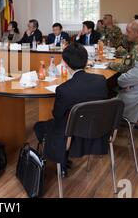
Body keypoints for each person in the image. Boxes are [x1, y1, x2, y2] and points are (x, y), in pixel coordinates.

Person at [34, 43, 109, 177]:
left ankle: (61, 162)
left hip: (71, 136)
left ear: (64, 63)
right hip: (97, 131)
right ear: (86, 61)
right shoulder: (101, 80)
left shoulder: (64, 89)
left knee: (39, 126)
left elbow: (57, 116)